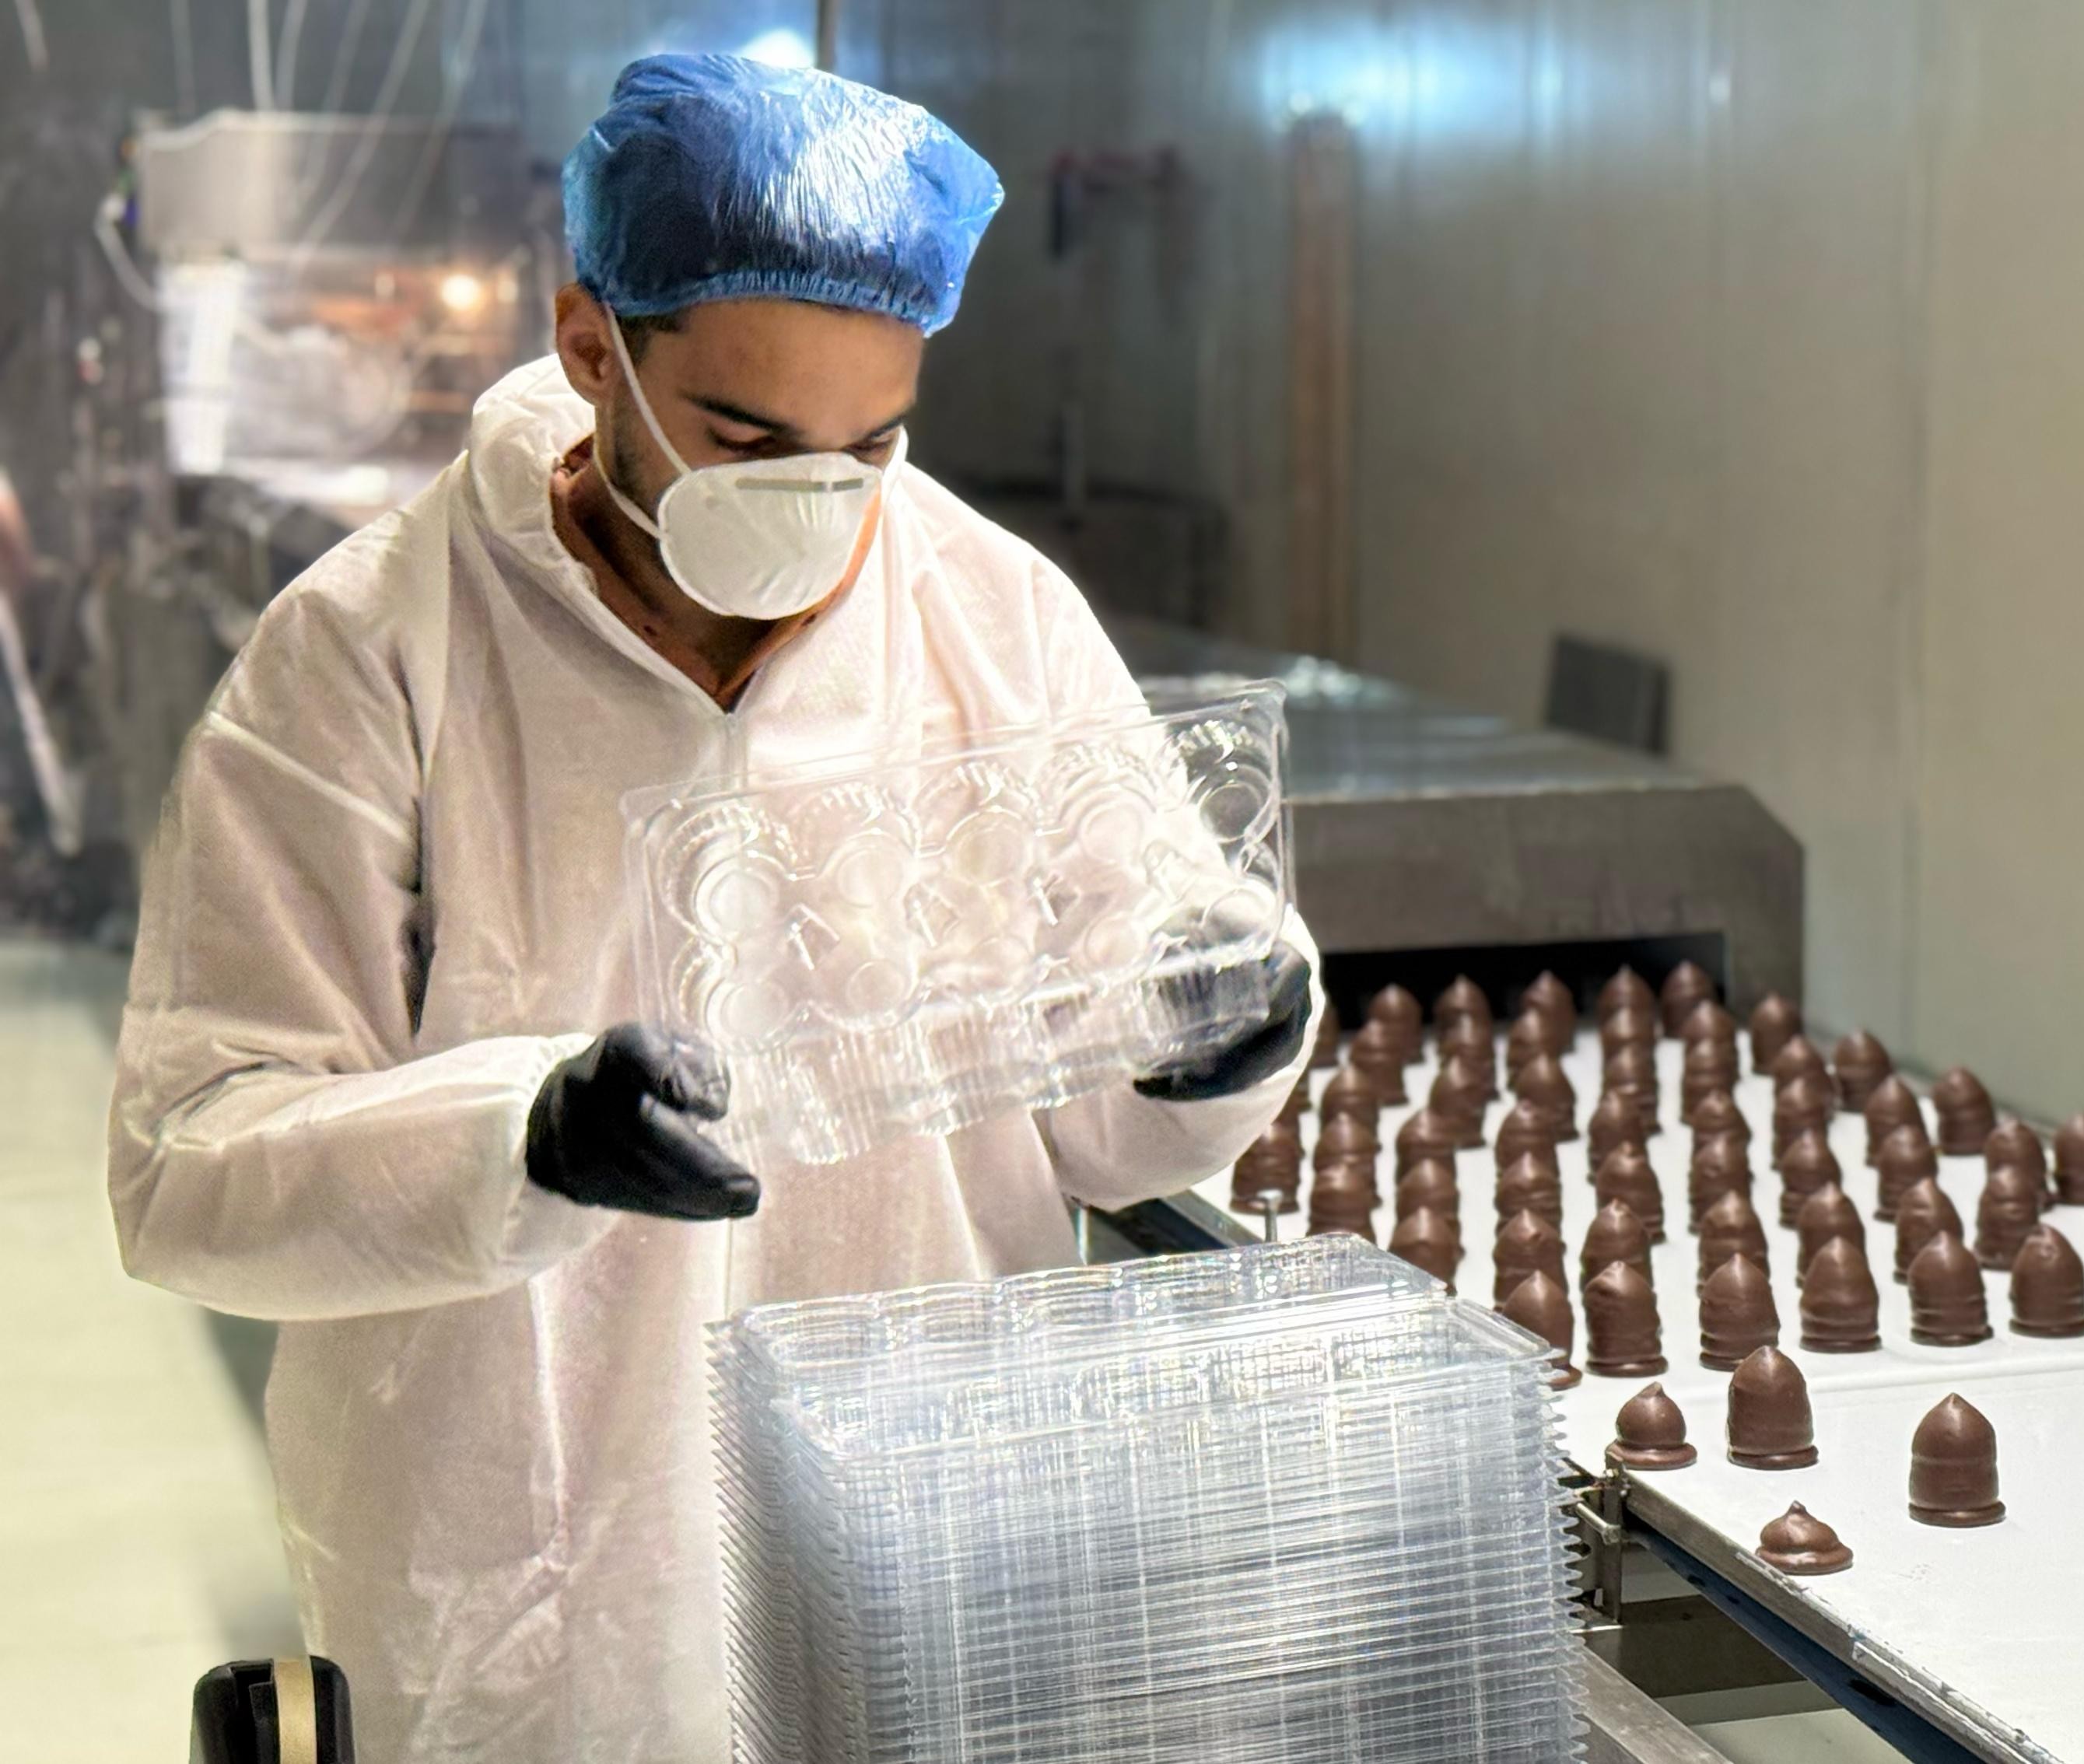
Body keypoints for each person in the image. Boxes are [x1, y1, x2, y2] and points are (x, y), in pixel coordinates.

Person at [105, 54, 1315, 1762]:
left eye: (869, 445)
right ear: (592, 347)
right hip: (532, 1594)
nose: (816, 503)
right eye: (747, 440)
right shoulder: (376, 653)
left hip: (919, 1549)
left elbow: (1099, 1128)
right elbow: (190, 1165)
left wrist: (1209, 1046)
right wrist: (522, 1140)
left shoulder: (996, 620)